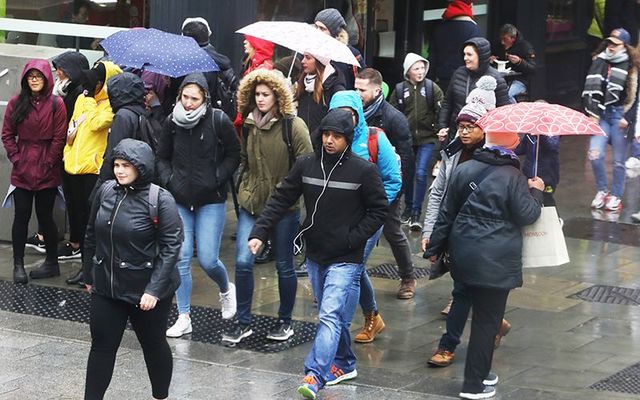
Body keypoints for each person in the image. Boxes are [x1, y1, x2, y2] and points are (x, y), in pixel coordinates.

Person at [246, 108, 388, 399]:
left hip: (346, 258)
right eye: (326, 134)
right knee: (330, 316)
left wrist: (353, 238)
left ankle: (314, 374)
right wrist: (259, 232)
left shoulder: (364, 171)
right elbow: (281, 198)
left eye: (337, 136)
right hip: (316, 254)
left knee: (329, 315)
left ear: (348, 138)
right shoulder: (306, 165)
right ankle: (346, 362)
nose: (330, 141)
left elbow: (378, 211)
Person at [425, 130, 544, 400]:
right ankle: (473, 385)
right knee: (486, 321)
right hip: (496, 260)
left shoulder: (464, 169)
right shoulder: (514, 177)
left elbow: (447, 213)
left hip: (464, 254)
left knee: (467, 303)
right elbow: (527, 214)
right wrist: (536, 192)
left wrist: (434, 248)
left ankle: (482, 372)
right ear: (513, 142)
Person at [83, 138, 183, 400]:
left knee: (153, 345)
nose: (119, 170)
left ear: (141, 167)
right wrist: (89, 274)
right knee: (102, 347)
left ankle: (160, 395)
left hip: (145, 291)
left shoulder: (160, 200)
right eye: (116, 164)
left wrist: (154, 290)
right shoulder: (105, 191)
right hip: (107, 286)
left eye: (126, 165)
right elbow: (91, 234)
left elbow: (171, 247)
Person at [422, 76, 511, 369]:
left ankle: (448, 346)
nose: (463, 131)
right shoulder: (451, 154)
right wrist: (430, 231)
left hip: (488, 237)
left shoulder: (500, 158)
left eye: (470, 126)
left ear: (485, 127)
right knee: (468, 289)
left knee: (463, 291)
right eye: (461, 126)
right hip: (457, 233)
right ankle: (495, 322)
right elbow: (437, 195)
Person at [221, 69, 312, 344]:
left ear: (277, 96)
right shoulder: (249, 124)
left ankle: (285, 321)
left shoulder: (292, 125)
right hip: (252, 202)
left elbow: (306, 163)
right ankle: (244, 321)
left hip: (284, 206)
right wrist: (242, 186)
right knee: (242, 262)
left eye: (266, 94)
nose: (260, 99)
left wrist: (291, 194)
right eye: (256, 94)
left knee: (284, 265)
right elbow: (246, 160)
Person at [156, 73, 240, 338]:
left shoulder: (218, 119)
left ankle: (226, 288)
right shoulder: (172, 121)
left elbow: (234, 154)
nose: (189, 103)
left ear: (204, 97)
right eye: (185, 97)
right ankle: (183, 316)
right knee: (181, 257)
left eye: (195, 98)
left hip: (210, 199)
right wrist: (170, 180)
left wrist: (217, 177)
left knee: (207, 258)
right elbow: (162, 157)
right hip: (181, 198)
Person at [327, 90, 402, 346]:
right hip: (338, 218)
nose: (344, 121)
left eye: (350, 115)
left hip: (368, 219)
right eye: (338, 115)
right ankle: (373, 316)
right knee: (353, 270)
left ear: (358, 114)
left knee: (352, 270)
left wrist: (375, 208)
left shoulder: (374, 138)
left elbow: (393, 179)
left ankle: (342, 328)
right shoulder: (329, 139)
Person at [354, 68, 417, 306]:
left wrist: (397, 192)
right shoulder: (353, 113)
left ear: (376, 90)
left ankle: (408, 277)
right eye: (356, 88)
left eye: (362, 89)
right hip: (357, 185)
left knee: (392, 231)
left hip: (385, 187)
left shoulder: (393, 118)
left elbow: (406, 158)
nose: (357, 93)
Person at [1, 59, 67, 283]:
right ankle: (18, 264)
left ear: (47, 78)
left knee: (46, 218)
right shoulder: (15, 103)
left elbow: (59, 138)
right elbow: (7, 135)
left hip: (48, 168)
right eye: (31, 76)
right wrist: (17, 159)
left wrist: (49, 162)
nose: (35, 80)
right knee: (21, 217)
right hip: (23, 167)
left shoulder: (57, 104)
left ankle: (52, 262)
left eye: (39, 76)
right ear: (25, 80)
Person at [61, 61, 122, 283]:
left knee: (91, 222)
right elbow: (74, 124)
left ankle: (89, 270)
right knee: (77, 216)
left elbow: (96, 123)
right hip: (73, 166)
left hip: (93, 170)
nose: (89, 85)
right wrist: (68, 148)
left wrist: (88, 101)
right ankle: (84, 267)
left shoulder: (111, 106)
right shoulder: (82, 99)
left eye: (94, 81)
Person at [25, 50, 89, 256]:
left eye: (61, 68)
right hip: (63, 152)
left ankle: (76, 243)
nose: (57, 72)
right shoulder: (64, 91)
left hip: (72, 154)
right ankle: (52, 237)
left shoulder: (78, 93)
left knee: (74, 201)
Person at [582, 27, 639, 212]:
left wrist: (627, 118)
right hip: (601, 114)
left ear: (624, 45)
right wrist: (591, 113)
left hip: (619, 115)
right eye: (609, 42)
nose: (611, 46)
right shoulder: (600, 60)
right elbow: (589, 89)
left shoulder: (631, 66)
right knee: (595, 154)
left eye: (616, 44)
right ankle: (602, 190)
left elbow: (635, 96)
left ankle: (616, 195)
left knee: (618, 161)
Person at [389, 53, 443, 229]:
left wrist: (439, 128)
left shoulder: (431, 88)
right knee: (408, 174)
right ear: (408, 71)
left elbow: (442, 109)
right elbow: (392, 114)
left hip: (427, 138)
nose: (420, 72)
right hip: (406, 139)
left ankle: (416, 213)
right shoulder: (399, 90)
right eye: (416, 68)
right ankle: (408, 208)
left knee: (421, 174)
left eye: (422, 68)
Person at [437, 37, 511, 143]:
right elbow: (447, 103)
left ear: (481, 56)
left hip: (481, 139)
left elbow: (503, 112)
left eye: (469, 54)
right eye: (464, 54)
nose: (465, 58)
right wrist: (442, 126)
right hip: (456, 134)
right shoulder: (459, 73)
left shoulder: (496, 79)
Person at [181, 17, 239, 119]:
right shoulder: (221, 61)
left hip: (185, 116)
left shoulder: (179, 63)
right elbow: (234, 88)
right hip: (215, 116)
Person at [427, 0, 481, 92]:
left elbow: (432, 57)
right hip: (464, 82)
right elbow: (475, 59)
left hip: (441, 80)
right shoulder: (473, 29)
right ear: (470, 6)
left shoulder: (439, 28)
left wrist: (428, 81)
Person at [313, 8, 365, 89]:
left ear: (334, 32)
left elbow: (363, 81)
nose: (317, 31)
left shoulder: (350, 53)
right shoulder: (311, 50)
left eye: (322, 28)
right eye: (316, 27)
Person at [295, 52, 346, 134]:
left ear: (319, 61)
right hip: (301, 138)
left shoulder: (334, 86)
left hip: (321, 141)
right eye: (303, 57)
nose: (302, 61)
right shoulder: (301, 81)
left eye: (308, 58)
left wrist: (316, 136)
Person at [489, 24, 536, 102]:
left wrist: (520, 62)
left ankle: (514, 111)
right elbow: (494, 58)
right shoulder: (499, 46)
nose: (502, 42)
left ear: (513, 38)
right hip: (501, 79)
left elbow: (533, 69)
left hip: (519, 80)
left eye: (504, 39)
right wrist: (491, 60)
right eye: (501, 39)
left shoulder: (525, 47)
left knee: (506, 96)